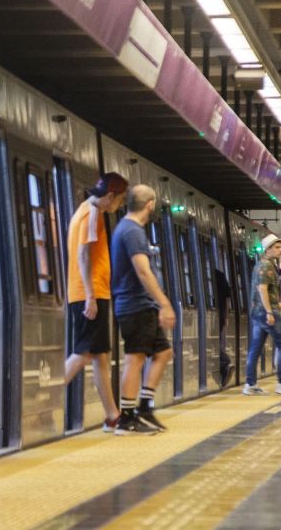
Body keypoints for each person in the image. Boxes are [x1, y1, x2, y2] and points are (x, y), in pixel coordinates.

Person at [63, 172, 128, 433]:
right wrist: (90, 295)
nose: (119, 205)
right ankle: (42, 401)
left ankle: (113, 415)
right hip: (90, 293)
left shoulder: (82, 209)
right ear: (110, 196)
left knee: (100, 356)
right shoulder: (92, 213)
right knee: (83, 353)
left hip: (89, 292)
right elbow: (83, 254)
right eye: (120, 200)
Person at [110, 184, 175, 435]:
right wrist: (165, 303)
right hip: (135, 304)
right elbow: (143, 270)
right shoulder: (132, 231)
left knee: (163, 352)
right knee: (135, 358)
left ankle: (145, 407)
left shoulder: (129, 229)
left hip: (142, 305)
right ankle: (126, 418)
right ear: (150, 205)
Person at [244, 234, 281, 395]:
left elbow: (268, 292)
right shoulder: (267, 266)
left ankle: (250, 385)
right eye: (277, 248)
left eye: (280, 247)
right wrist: (270, 311)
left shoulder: (261, 265)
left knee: (256, 348)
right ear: (268, 250)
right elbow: (262, 289)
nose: (280, 250)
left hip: (259, 312)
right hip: (267, 312)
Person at [214, 268, 235, 388]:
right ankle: (225, 364)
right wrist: (225, 316)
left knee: (212, 343)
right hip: (220, 314)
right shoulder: (219, 274)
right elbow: (228, 298)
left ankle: (225, 363)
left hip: (219, 315)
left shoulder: (217, 274)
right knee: (215, 342)